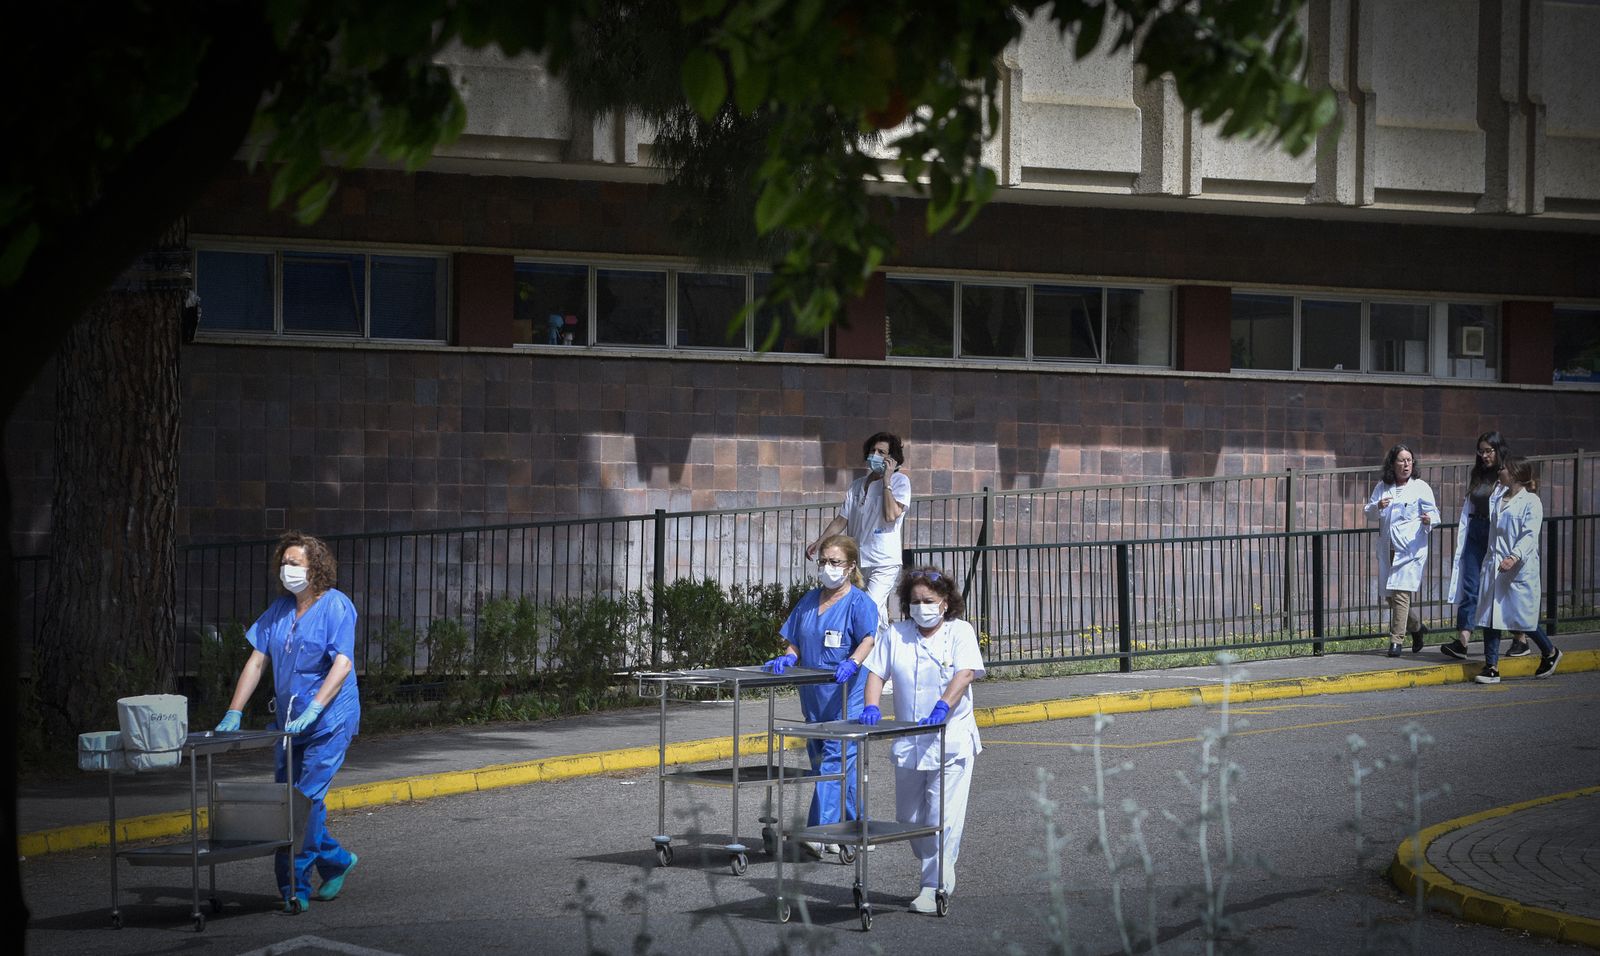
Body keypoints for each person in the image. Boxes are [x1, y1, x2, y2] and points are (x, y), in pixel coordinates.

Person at [215, 531, 361, 911]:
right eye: (284, 563)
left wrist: (315, 708)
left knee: (303, 800)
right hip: (288, 725)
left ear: (316, 569)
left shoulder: (336, 606)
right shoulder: (279, 611)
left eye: (294, 564)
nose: (287, 570)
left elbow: (342, 663)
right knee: (289, 803)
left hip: (329, 721)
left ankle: (293, 887)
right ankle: (336, 861)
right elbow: (257, 660)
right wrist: (234, 710)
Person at [857, 566, 984, 914]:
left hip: (950, 740)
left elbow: (966, 672)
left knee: (942, 817)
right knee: (910, 820)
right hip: (909, 741)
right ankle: (938, 865)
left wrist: (945, 704)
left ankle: (934, 886)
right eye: (914, 601)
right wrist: (871, 705)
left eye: (928, 600)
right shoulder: (897, 634)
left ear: (944, 603)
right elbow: (875, 672)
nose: (921, 606)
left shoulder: (960, 632)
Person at [763, 533, 878, 856]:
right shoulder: (809, 600)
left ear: (851, 566)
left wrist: (853, 662)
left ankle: (818, 832)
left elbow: (868, 640)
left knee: (834, 760)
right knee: (832, 764)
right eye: (824, 561)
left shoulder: (859, 602)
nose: (828, 567)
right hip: (814, 696)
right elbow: (796, 638)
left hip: (847, 692)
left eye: (835, 562)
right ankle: (855, 826)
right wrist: (788, 656)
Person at [807, 432, 911, 637]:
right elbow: (841, 520)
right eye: (873, 451)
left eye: (882, 452)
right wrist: (819, 542)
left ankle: (869, 655)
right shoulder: (857, 486)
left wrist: (887, 481)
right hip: (859, 561)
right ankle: (882, 652)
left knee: (868, 606)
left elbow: (891, 515)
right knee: (872, 610)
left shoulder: (900, 482)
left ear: (892, 459)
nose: (875, 455)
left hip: (883, 561)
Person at [1473, 456, 1563, 684]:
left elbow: (1529, 535)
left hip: (1518, 568)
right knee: (1490, 617)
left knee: (1521, 618)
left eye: (1502, 468)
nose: (1499, 471)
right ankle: (1491, 667)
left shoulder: (1531, 502)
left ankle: (1550, 652)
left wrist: (1514, 557)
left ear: (1514, 474)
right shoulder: (1497, 497)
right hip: (1495, 564)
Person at [1363, 444, 1439, 657]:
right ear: (1393, 464)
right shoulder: (1382, 486)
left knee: (1401, 594)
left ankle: (1396, 640)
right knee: (1390, 596)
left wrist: (1428, 520)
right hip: (1389, 548)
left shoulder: (1420, 487)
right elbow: (1368, 512)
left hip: (1410, 549)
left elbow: (1435, 514)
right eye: (1401, 460)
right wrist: (1377, 506)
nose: (1406, 464)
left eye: (1409, 460)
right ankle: (1416, 627)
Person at [1441, 432, 1508, 660]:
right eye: (1481, 451)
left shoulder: (1506, 474)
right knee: (1470, 585)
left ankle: (1521, 638)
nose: (1485, 455)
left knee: (1501, 588)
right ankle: (1463, 641)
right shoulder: (1478, 474)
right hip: (1475, 531)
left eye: (1489, 450)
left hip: (1496, 533)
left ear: (1499, 450)